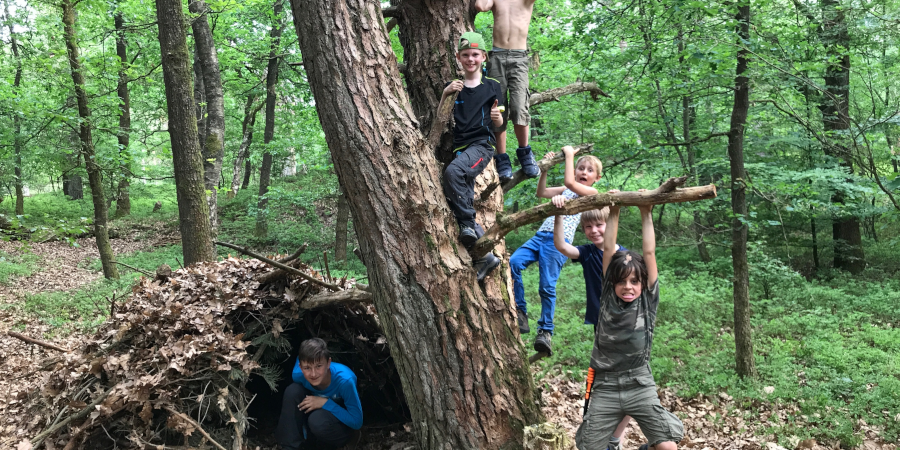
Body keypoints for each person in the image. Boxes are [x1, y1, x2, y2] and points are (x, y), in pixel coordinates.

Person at [575, 203, 684, 450]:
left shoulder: (647, 300)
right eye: (622, 281)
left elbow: (649, 254)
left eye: (634, 281)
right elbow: (607, 251)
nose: (628, 287)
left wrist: (646, 212)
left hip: (639, 383)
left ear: (642, 283)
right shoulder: (607, 297)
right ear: (612, 283)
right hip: (606, 385)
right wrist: (614, 211)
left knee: (667, 447)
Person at [553, 206, 632, 450]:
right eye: (587, 226)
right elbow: (562, 247)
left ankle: (614, 439)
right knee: (609, 383)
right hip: (603, 327)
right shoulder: (587, 253)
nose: (593, 230)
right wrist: (558, 214)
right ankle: (606, 436)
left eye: (599, 225)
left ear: (611, 225)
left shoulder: (627, 256)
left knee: (631, 384)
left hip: (628, 328)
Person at [510, 145, 601, 354]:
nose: (583, 172)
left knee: (546, 286)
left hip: (557, 242)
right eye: (581, 168)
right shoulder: (566, 189)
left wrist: (569, 155)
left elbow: (570, 181)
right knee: (513, 262)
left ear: (596, 177)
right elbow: (541, 192)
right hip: (540, 237)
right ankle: (520, 312)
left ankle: (545, 331)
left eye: (589, 170)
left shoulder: (591, 193)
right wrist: (545, 170)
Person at [441, 31, 504, 281]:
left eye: (475, 54)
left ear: (483, 57)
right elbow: (441, 116)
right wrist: (446, 93)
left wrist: (502, 154)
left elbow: (500, 122)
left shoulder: (492, 86)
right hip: (460, 149)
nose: (470, 59)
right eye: (465, 55)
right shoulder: (455, 87)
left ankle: (468, 225)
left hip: (481, 145)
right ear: (458, 57)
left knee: (453, 173)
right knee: (459, 199)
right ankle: (486, 259)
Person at [474, 0, 541, 183]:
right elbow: (481, 6)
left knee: (520, 106)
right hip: (496, 56)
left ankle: (525, 152)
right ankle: (502, 158)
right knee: (497, 107)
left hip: (519, 57)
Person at [276, 338, 362, 450]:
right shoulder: (298, 375)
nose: (313, 374)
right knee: (293, 391)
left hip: (339, 416)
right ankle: (290, 447)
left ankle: (349, 439)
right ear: (301, 367)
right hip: (314, 408)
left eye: (318, 366)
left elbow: (357, 421)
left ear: (328, 363)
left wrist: (325, 403)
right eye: (307, 368)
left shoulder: (345, 381)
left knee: (317, 421)